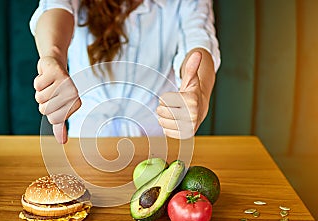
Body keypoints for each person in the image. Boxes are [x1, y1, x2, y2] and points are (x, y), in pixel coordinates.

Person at [30, 0, 220, 144]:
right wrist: (53, 58)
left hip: (157, 151)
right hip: (82, 146)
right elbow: (54, 9)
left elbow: (199, 41)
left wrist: (199, 94)